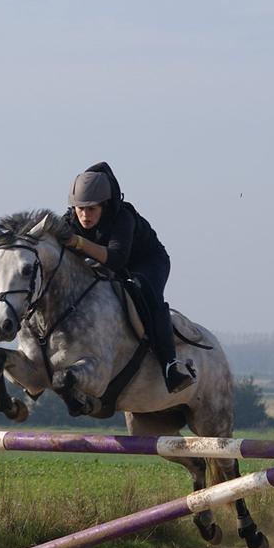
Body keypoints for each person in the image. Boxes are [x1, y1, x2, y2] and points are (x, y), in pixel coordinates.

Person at [61, 162, 194, 393]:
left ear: (105, 205)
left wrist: (79, 242)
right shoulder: (70, 220)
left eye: (92, 209)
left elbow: (115, 259)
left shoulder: (123, 217)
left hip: (147, 261)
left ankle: (170, 366)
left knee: (142, 288)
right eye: (80, 208)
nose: (84, 215)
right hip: (109, 263)